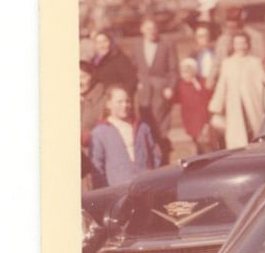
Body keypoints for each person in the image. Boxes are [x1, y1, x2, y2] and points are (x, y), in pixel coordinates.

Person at [89, 84, 163, 188]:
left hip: (145, 186)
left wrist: (151, 175)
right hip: (118, 189)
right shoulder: (100, 132)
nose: (125, 105)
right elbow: (97, 166)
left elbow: (155, 154)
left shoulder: (142, 127)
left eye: (127, 101)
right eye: (119, 101)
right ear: (108, 104)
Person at [207, 32, 265, 148]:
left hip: (252, 103)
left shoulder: (255, 62)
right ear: (233, 45)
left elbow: (262, 86)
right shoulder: (227, 63)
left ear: (248, 45)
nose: (240, 46)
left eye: (243, 43)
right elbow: (222, 86)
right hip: (234, 106)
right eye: (237, 43)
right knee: (237, 136)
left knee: (255, 131)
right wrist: (215, 107)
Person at [133, 17, 178, 158]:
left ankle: (164, 156)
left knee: (161, 126)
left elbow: (173, 69)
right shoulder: (136, 46)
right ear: (142, 30)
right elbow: (133, 68)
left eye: (153, 28)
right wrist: (137, 83)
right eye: (147, 28)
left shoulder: (166, 45)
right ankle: (150, 157)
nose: (151, 32)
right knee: (146, 124)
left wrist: (170, 87)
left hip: (161, 91)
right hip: (144, 91)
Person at [174, 57, 216, 153]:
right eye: (183, 72)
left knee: (205, 144)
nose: (184, 75)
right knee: (197, 142)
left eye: (187, 72)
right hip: (190, 118)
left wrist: (197, 85)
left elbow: (207, 98)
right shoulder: (181, 85)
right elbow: (175, 98)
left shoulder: (200, 82)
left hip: (203, 118)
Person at [79, 61, 108, 186]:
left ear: (92, 76)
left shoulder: (102, 98)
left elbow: (104, 128)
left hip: (94, 155)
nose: (79, 81)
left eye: (83, 76)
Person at [89, 30, 138, 97]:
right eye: (98, 42)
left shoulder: (119, 59)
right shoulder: (93, 61)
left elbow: (131, 81)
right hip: (99, 98)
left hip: (115, 97)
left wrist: (121, 96)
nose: (101, 45)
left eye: (105, 41)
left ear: (110, 42)